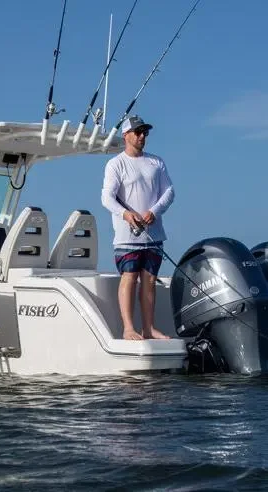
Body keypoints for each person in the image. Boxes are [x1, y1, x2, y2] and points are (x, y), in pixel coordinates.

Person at [101, 115, 175, 340]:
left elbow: (169, 192)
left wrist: (154, 211)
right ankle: (128, 329)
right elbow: (107, 198)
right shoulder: (116, 164)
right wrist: (125, 214)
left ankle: (148, 328)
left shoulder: (156, 162)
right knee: (130, 277)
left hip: (154, 235)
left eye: (145, 132)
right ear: (126, 135)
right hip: (127, 236)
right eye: (138, 132)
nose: (143, 136)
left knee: (149, 280)